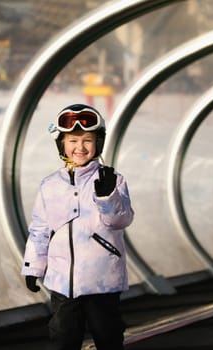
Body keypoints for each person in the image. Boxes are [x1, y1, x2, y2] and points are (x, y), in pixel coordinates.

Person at [21, 104, 134, 350]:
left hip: (101, 277)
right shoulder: (50, 185)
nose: (80, 147)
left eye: (87, 140)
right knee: (63, 338)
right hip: (63, 280)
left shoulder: (112, 180)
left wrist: (107, 197)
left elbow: (120, 220)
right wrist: (33, 266)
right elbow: (40, 229)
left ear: (98, 143)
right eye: (73, 140)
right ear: (62, 143)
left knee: (108, 337)